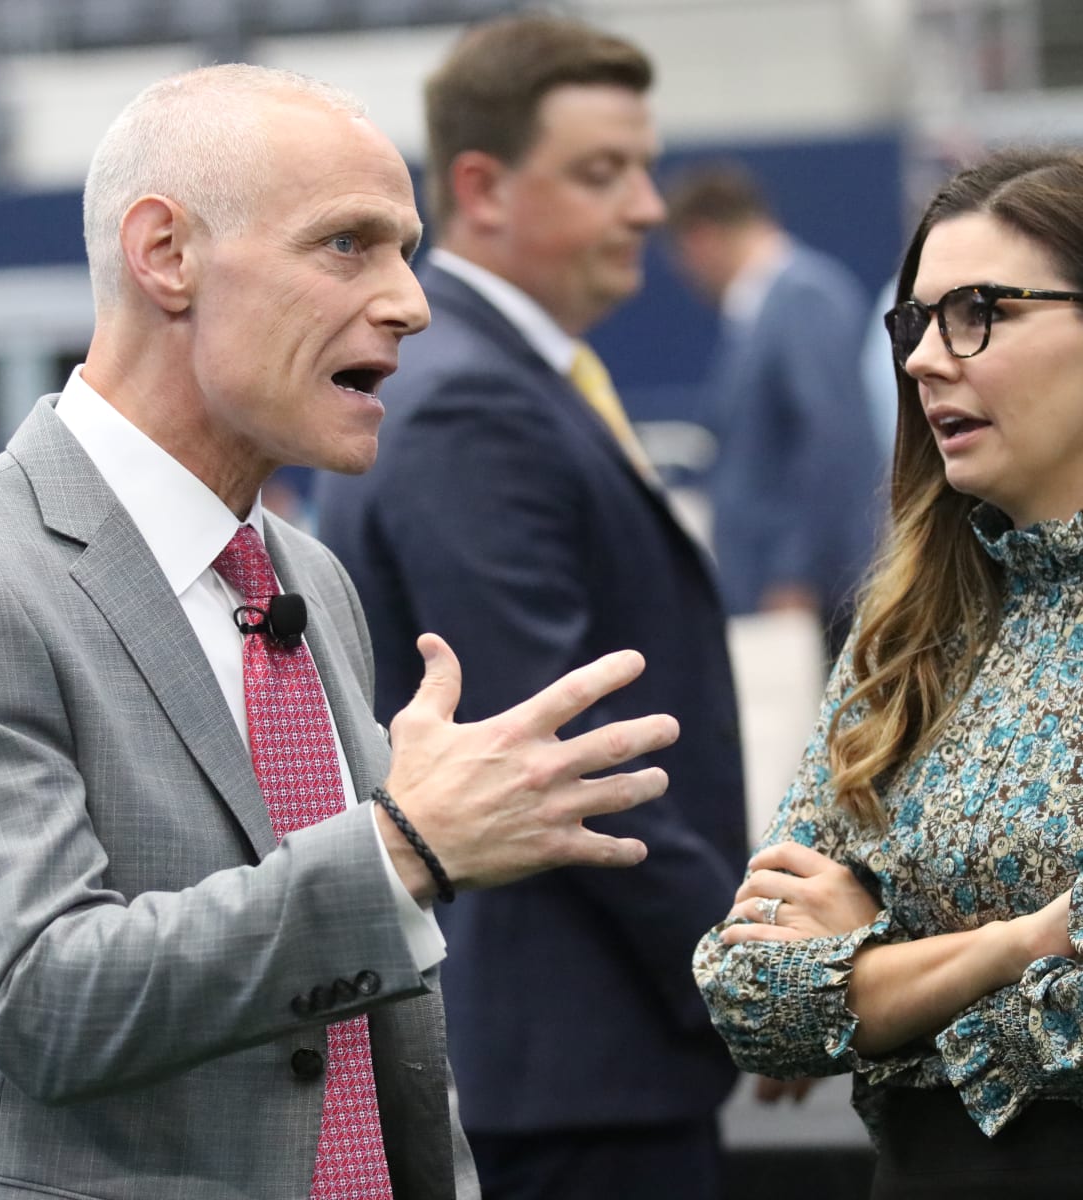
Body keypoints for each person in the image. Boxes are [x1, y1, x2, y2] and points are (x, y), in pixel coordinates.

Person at [0, 64, 683, 1200]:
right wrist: (402, 847)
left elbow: (371, 1036)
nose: (410, 301)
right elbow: (50, 1003)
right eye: (348, 245)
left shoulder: (306, 576)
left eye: (407, 248)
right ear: (166, 255)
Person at [317, 16, 745, 1200]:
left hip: (593, 1052)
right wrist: (752, 973)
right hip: (572, 1067)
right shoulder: (472, 408)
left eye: (645, 169)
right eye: (603, 172)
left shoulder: (514, 383)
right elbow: (556, 757)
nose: (650, 207)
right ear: (481, 189)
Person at [693, 146, 1083, 1198]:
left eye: (978, 314)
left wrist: (872, 978)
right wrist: (1019, 948)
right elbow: (751, 992)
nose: (922, 361)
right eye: (916, 323)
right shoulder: (909, 622)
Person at [666, 161, 884, 658]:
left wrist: (797, 573)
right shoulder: (768, 306)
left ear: (700, 238)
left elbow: (832, 445)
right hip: (784, 593)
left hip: (811, 598)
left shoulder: (804, 299)